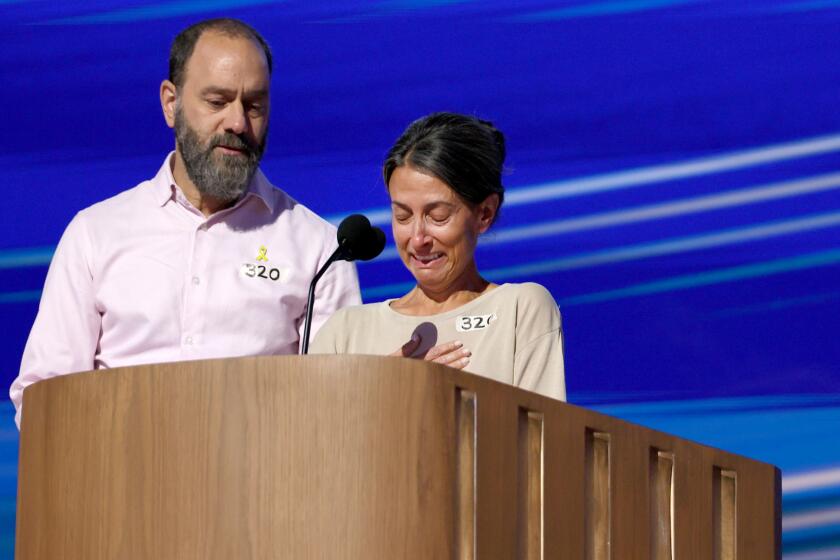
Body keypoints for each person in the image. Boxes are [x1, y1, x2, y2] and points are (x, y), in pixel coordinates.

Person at [10, 18, 361, 427]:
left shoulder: (319, 249)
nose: (237, 123)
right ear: (170, 103)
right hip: (117, 463)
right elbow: (44, 397)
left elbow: (337, 406)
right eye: (217, 101)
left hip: (258, 465)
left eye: (254, 105)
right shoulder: (95, 234)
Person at [311, 112, 565, 400]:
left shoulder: (520, 310)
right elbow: (310, 428)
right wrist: (381, 389)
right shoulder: (344, 333)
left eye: (438, 216)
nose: (418, 239)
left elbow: (539, 428)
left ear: (484, 213)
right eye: (403, 216)